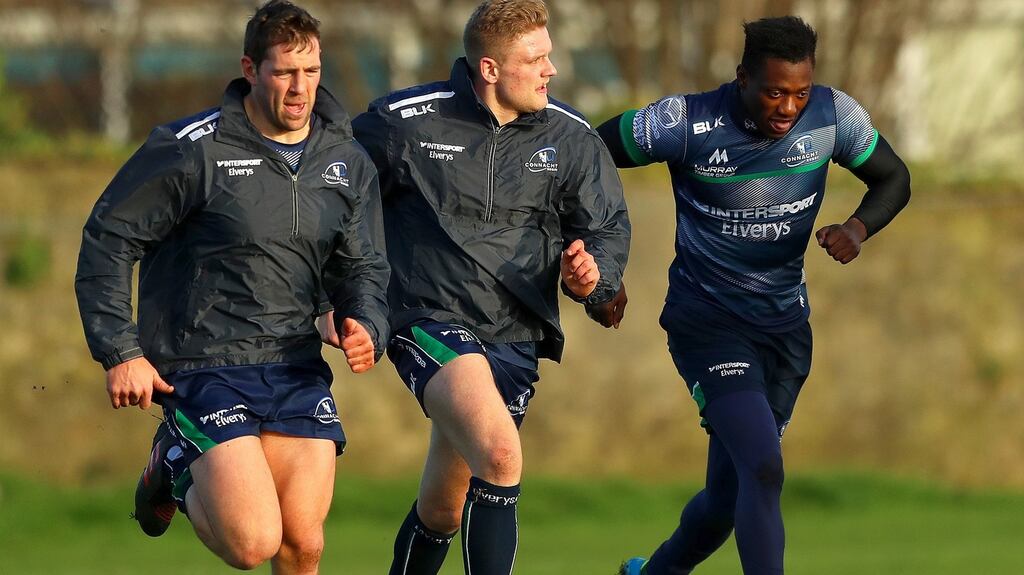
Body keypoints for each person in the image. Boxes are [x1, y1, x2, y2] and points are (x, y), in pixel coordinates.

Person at [74, 1, 390, 572]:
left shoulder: (345, 159)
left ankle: (180, 459)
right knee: (253, 543)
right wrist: (121, 351)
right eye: (284, 72)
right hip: (203, 364)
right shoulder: (191, 148)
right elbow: (110, 238)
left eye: (312, 71)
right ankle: (173, 461)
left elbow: (363, 265)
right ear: (250, 69)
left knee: (304, 544)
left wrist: (365, 322)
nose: (301, 88)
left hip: (294, 363)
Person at [598, 16, 911, 575]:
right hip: (708, 323)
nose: (788, 108)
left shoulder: (834, 115)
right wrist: (600, 262)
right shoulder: (685, 123)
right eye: (773, 92)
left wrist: (857, 229)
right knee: (764, 469)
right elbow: (587, 157)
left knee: (728, 496)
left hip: (786, 333)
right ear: (742, 78)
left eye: (799, 93)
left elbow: (894, 178)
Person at [345, 1, 629, 573]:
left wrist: (593, 276)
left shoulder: (570, 137)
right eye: (537, 59)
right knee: (501, 455)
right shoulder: (405, 121)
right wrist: (343, 294)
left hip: (515, 335)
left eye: (550, 55)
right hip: (427, 317)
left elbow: (604, 229)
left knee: (444, 508)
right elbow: (334, 196)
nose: (551, 69)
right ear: (491, 69)